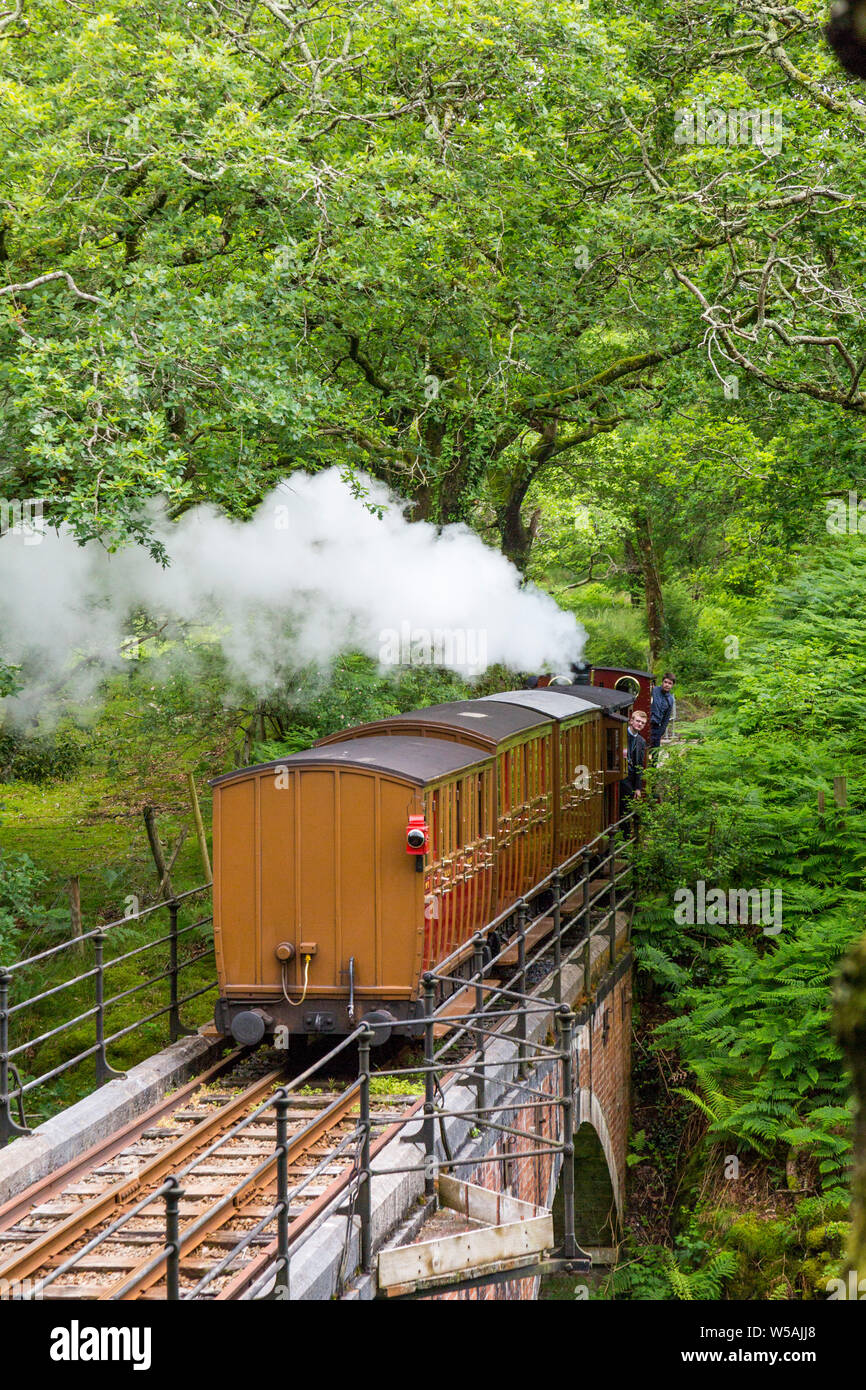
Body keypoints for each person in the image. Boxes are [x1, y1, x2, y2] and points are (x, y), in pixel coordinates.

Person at [622, 708, 648, 809]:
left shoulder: (641, 741)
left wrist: (638, 788)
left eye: (643, 723)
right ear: (631, 721)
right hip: (621, 776)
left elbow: (640, 766)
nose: (640, 724)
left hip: (632, 777)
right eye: (638, 721)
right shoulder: (621, 734)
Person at [650, 673, 676, 750]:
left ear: (672, 685)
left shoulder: (670, 700)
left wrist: (660, 732)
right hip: (647, 724)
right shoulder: (654, 690)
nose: (667, 685)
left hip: (657, 728)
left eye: (670, 683)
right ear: (662, 682)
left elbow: (666, 718)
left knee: (655, 753)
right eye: (665, 682)